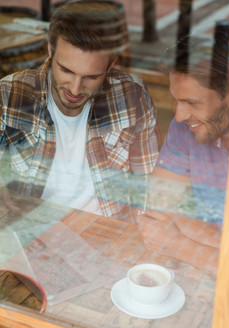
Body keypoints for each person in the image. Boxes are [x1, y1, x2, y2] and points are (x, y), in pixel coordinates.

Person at [0, 1, 160, 222]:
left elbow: (148, 187)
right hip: (30, 229)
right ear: (50, 49)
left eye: (91, 77)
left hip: (105, 230)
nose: (75, 89)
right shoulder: (9, 95)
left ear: (111, 64)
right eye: (66, 70)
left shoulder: (133, 96)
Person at [138, 35, 229, 274]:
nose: (180, 114)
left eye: (192, 102)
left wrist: (176, 242)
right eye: (176, 100)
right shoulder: (186, 127)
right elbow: (160, 211)